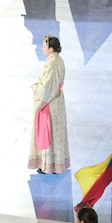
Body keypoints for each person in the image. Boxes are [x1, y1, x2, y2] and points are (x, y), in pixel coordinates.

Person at [28, 35, 69, 174]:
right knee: (55, 134)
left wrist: (37, 92)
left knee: (49, 133)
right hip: (57, 100)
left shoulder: (52, 64)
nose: (43, 49)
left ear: (51, 49)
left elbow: (47, 87)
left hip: (50, 103)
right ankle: (54, 165)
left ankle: (48, 166)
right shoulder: (58, 60)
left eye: (45, 46)